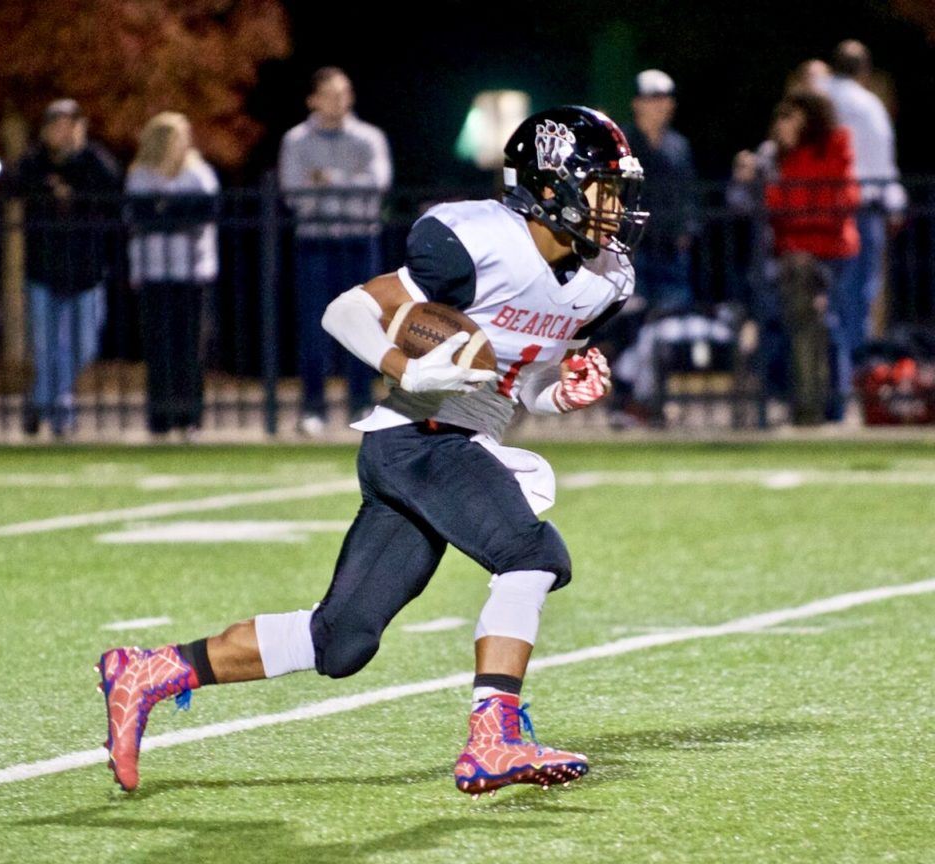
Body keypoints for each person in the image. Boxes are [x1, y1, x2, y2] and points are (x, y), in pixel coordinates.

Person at [96, 105, 647, 796]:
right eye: (602, 187)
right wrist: (406, 365)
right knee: (532, 553)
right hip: (418, 435)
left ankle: (150, 670)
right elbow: (348, 309)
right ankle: (494, 735)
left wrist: (561, 391)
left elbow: (524, 381)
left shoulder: (604, 279)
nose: (614, 206)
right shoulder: (478, 240)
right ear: (547, 186)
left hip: (450, 442)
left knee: (341, 641)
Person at [278, 67, 393, 435]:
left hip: (359, 240)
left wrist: (328, 181)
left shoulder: (369, 137)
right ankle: (314, 408)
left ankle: (361, 403)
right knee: (315, 327)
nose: (339, 101)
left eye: (344, 93)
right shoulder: (296, 140)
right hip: (315, 241)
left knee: (363, 324)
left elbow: (377, 184)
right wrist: (347, 187)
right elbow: (295, 193)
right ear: (313, 99)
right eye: (330, 94)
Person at [13, 99, 121, 436]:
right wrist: (47, 186)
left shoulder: (93, 161)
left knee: (83, 346)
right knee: (47, 348)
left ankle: (39, 400)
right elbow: (11, 186)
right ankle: (62, 415)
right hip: (43, 271)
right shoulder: (34, 162)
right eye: (56, 125)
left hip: (86, 271)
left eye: (70, 124)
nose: (63, 131)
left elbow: (112, 187)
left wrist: (79, 154)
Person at [762, 90, 860, 424]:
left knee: (823, 327)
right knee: (806, 325)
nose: (784, 125)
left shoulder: (833, 144)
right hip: (794, 256)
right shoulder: (781, 155)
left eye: (793, 117)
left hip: (831, 251)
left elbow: (840, 200)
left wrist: (799, 224)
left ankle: (817, 406)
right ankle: (814, 405)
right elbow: (775, 206)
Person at [607, 69, 697, 424]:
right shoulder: (623, 144)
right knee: (632, 324)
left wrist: (686, 230)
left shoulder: (678, 146)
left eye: (663, 99)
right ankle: (626, 400)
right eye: (650, 99)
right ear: (637, 103)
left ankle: (651, 400)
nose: (658, 107)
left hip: (670, 252)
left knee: (667, 326)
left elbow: (688, 195)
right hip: (634, 252)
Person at [126, 112, 219, 437]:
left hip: (192, 273)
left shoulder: (199, 174)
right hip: (153, 271)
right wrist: (173, 214)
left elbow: (203, 213)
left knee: (190, 347)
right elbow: (141, 218)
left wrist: (166, 212)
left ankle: (190, 416)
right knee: (158, 347)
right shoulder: (140, 176)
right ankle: (160, 417)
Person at [821, 40, 907, 359]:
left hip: (813, 209)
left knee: (825, 294)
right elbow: (882, 163)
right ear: (864, 72)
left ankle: (828, 372)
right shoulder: (870, 106)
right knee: (857, 293)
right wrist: (895, 205)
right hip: (861, 209)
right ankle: (854, 368)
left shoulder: (819, 98)